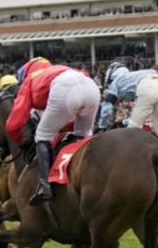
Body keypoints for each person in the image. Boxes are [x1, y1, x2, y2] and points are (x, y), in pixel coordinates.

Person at [6, 57, 100, 205]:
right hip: (91, 87)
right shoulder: (61, 69)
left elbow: (13, 125)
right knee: (83, 135)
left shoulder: (29, 80)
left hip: (65, 89)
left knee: (42, 136)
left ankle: (45, 186)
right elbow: (67, 124)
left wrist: (20, 141)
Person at [96, 61, 158, 141]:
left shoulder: (116, 81)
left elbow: (107, 108)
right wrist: (123, 122)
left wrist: (102, 126)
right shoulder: (134, 76)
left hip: (147, 85)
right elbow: (145, 111)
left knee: (133, 129)